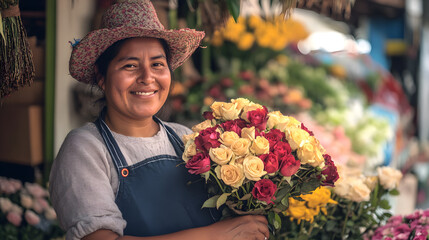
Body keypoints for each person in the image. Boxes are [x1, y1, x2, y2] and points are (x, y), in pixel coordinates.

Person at [48, 0, 270, 240]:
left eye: (157, 64)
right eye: (130, 65)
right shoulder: (85, 148)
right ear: (102, 77)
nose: (147, 77)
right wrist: (217, 234)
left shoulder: (184, 138)